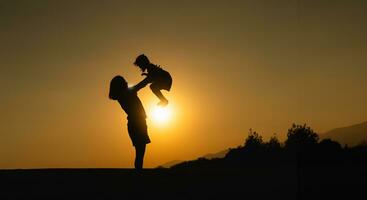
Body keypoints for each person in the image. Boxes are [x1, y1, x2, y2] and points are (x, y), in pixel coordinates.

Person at [109, 75, 151, 171]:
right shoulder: (127, 93)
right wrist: (150, 77)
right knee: (140, 153)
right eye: (124, 81)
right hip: (137, 123)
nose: (126, 82)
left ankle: (138, 173)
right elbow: (141, 85)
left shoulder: (121, 95)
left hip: (135, 123)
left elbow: (140, 85)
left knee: (139, 153)